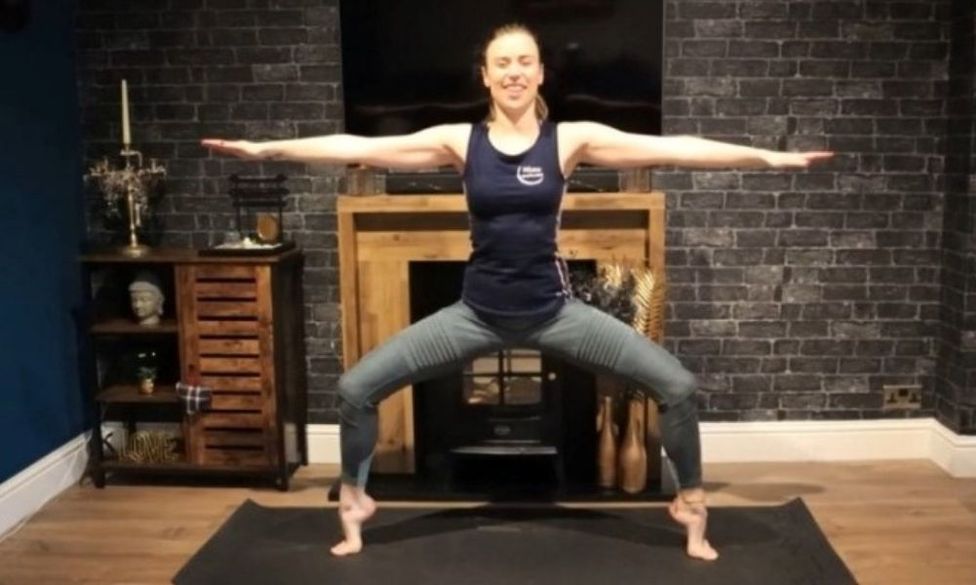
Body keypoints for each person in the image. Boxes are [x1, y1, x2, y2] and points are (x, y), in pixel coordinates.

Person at [202, 23, 833, 562]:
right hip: (474, 315)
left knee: (678, 386)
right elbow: (361, 147)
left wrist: (768, 160)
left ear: (540, 74)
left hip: (555, 314)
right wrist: (266, 149)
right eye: (502, 63)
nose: (513, 72)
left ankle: (689, 503)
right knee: (354, 389)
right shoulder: (461, 142)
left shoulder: (568, 140)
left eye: (524, 62)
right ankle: (356, 497)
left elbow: (674, 149)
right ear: (485, 75)